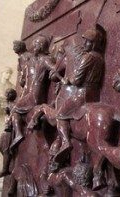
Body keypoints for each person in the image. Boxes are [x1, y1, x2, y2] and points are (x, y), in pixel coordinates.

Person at [48, 26, 105, 161]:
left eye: (88, 42)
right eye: (85, 41)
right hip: (94, 94)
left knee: (60, 115)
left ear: (95, 43)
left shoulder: (88, 57)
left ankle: (66, 141)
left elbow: (77, 80)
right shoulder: (100, 58)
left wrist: (65, 79)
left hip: (82, 94)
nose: (85, 44)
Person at [10, 35, 56, 149]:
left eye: (35, 44)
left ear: (40, 46)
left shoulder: (45, 59)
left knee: (15, 108)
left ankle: (19, 134)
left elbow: (55, 68)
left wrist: (54, 73)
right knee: (15, 109)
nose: (33, 46)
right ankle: (19, 133)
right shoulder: (32, 61)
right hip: (28, 92)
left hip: (35, 95)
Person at [0, 88, 17, 179]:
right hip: (6, 129)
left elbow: (14, 116)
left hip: (10, 130)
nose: (6, 95)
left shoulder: (14, 105)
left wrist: (10, 114)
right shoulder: (7, 104)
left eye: (8, 93)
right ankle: (8, 161)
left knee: (5, 149)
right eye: (6, 93)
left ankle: (5, 169)